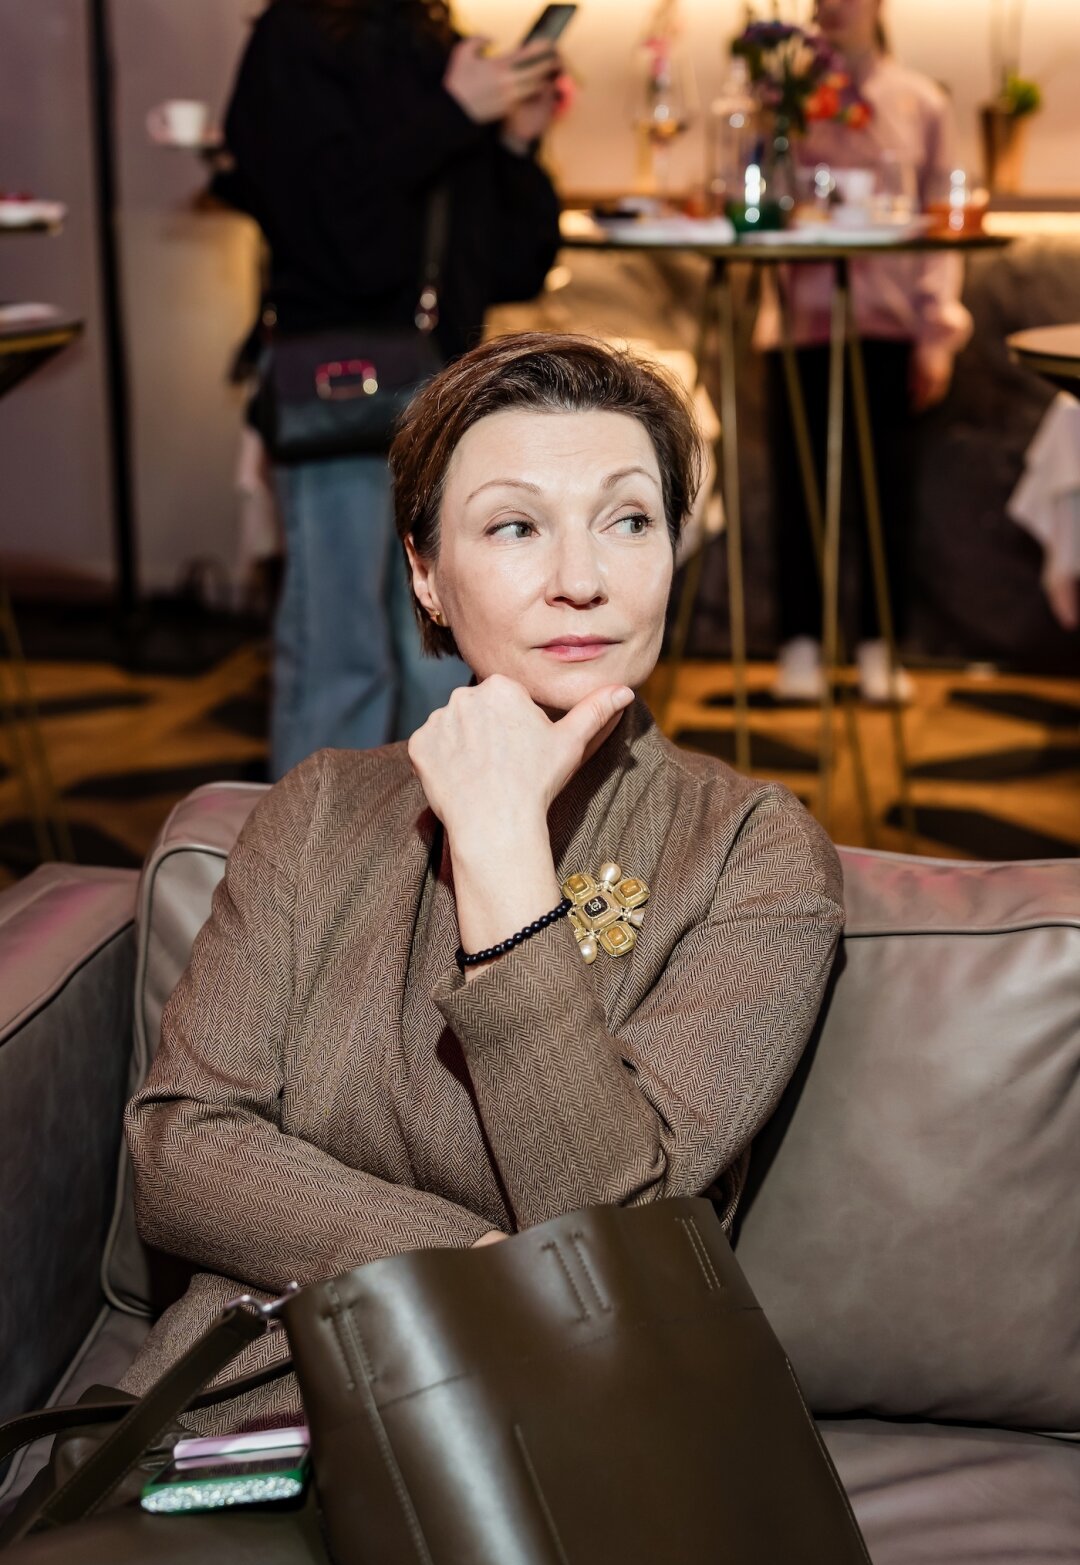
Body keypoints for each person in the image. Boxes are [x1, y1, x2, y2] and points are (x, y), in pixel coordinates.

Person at [116, 331, 845, 1444]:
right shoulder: (320, 809)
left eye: (629, 520)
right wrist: (475, 1267)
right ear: (425, 571)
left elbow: (613, 1242)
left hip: (533, 1453)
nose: (582, 580)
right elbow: (182, 1151)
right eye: (515, 527)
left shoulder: (751, 849)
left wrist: (503, 853)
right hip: (243, 1425)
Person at [222, 0, 564, 775]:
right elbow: (328, 232)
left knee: (441, 660)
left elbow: (512, 265)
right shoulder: (295, 37)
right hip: (343, 389)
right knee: (341, 657)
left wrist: (514, 140)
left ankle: (437, 846)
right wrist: (453, 113)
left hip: (448, 393)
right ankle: (312, 853)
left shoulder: (439, 46)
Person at [761, 0, 973, 704]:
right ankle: (799, 644)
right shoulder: (784, 100)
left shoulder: (921, 101)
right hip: (800, 322)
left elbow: (942, 221)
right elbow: (757, 193)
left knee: (888, 496)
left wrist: (937, 332)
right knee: (799, 494)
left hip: (889, 326)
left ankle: (881, 645)